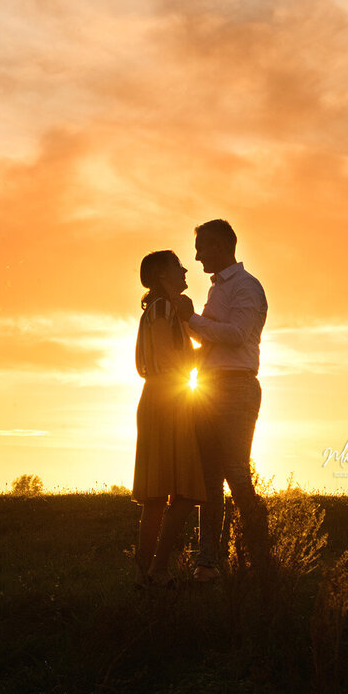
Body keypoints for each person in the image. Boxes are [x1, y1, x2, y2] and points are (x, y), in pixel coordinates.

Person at [175, 219, 274, 586]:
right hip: (211, 387)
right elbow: (212, 339)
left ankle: (262, 556)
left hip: (235, 388)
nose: (197, 255)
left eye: (202, 247)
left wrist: (191, 319)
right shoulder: (218, 290)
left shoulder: (247, 287)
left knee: (234, 470)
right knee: (209, 477)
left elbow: (236, 335)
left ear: (220, 246)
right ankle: (208, 562)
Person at [132, 250, 206, 587]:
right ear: (163, 275)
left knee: (157, 494)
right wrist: (206, 358)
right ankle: (156, 570)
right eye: (178, 267)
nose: (185, 270)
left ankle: (146, 573)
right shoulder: (162, 308)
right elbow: (166, 355)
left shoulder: (160, 308)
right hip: (168, 398)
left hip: (159, 398)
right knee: (183, 491)